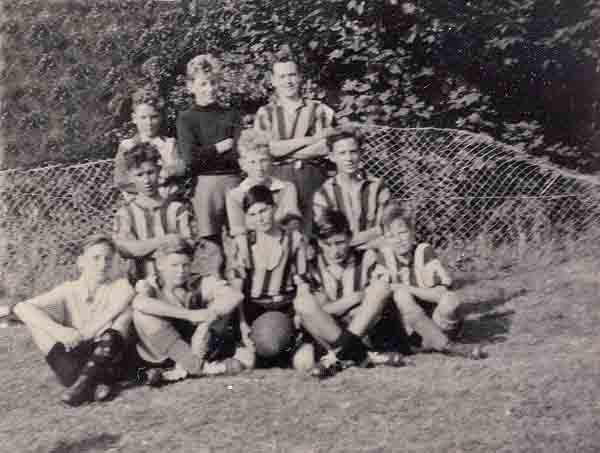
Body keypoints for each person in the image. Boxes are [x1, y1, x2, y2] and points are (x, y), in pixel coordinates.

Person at [9, 235, 135, 406]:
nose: (102, 264)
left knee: (125, 314)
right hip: (72, 363)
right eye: (95, 258)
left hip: (107, 356)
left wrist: (85, 333)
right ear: (81, 262)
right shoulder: (68, 289)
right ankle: (96, 384)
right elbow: (20, 307)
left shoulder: (120, 285)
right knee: (36, 321)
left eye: (108, 259)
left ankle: (85, 385)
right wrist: (58, 330)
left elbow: (119, 305)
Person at [363, 203, 485, 359]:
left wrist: (406, 287)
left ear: (412, 232)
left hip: (435, 322)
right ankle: (449, 346)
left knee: (450, 300)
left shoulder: (423, 250)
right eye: (391, 236)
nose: (398, 240)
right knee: (401, 296)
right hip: (408, 329)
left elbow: (441, 294)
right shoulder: (385, 256)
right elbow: (377, 294)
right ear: (385, 238)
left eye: (402, 233)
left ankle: (437, 340)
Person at [298, 209, 405, 378]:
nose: (335, 251)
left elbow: (378, 297)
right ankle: (363, 356)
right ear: (319, 242)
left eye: (340, 243)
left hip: (366, 331)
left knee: (381, 288)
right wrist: (356, 297)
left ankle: (338, 356)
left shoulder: (367, 257)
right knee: (302, 305)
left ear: (349, 237)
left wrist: (343, 306)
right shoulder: (312, 266)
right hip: (331, 332)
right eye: (328, 245)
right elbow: (320, 311)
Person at [132, 238, 248, 384]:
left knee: (220, 307)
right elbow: (139, 303)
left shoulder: (197, 282)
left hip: (195, 347)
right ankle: (199, 368)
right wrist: (190, 315)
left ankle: (182, 369)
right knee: (141, 314)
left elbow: (236, 295)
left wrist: (207, 319)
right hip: (163, 353)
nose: (181, 271)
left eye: (185, 265)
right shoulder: (151, 285)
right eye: (174, 265)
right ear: (160, 264)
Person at [229, 185, 312, 369]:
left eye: (264, 210)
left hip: (286, 308)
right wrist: (242, 325)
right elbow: (237, 291)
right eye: (252, 214)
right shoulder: (244, 244)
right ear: (246, 218)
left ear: (274, 208)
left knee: (305, 363)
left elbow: (302, 283)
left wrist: (299, 317)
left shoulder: (294, 239)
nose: (260, 218)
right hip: (256, 310)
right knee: (246, 363)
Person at [254, 48, 337, 231]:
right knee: (284, 233)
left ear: (300, 77)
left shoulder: (319, 109)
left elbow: (324, 147)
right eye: (282, 77)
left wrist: (283, 149)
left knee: (318, 231)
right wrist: (309, 140)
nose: (288, 81)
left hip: (313, 177)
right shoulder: (265, 113)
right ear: (273, 81)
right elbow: (267, 150)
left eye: (292, 75)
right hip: (278, 178)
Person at [177, 54, 242, 272]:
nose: (210, 89)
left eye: (213, 82)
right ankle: (215, 293)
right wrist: (218, 148)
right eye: (203, 84)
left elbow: (238, 153)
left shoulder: (230, 114)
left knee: (240, 240)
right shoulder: (187, 119)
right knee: (211, 246)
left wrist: (207, 153)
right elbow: (190, 160)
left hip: (233, 182)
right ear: (190, 87)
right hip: (204, 186)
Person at [112, 143, 196, 284]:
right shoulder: (125, 213)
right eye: (139, 175)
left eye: (150, 173)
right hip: (141, 282)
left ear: (159, 170)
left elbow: (188, 244)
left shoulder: (177, 209)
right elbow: (125, 249)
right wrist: (165, 240)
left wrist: (143, 247)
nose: (146, 180)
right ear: (130, 177)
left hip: (177, 281)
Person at [225, 129, 302, 270]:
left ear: (271, 161)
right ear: (242, 164)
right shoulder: (236, 195)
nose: (259, 168)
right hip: (252, 248)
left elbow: (292, 223)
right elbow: (239, 232)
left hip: (282, 244)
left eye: (263, 161)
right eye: (252, 162)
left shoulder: (286, 188)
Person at [313, 129, 391, 249]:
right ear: (332, 157)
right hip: (341, 255)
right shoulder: (323, 193)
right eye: (342, 153)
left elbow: (387, 226)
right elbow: (327, 236)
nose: (349, 158)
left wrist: (358, 245)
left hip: (374, 249)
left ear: (361, 153)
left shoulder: (377, 187)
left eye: (353, 152)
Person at [114, 87, 185, 200]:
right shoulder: (127, 145)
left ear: (161, 117)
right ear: (134, 118)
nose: (149, 123)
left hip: (168, 201)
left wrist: (168, 172)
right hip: (138, 204)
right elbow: (120, 180)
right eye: (143, 117)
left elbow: (181, 168)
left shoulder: (169, 143)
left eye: (154, 117)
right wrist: (147, 190)